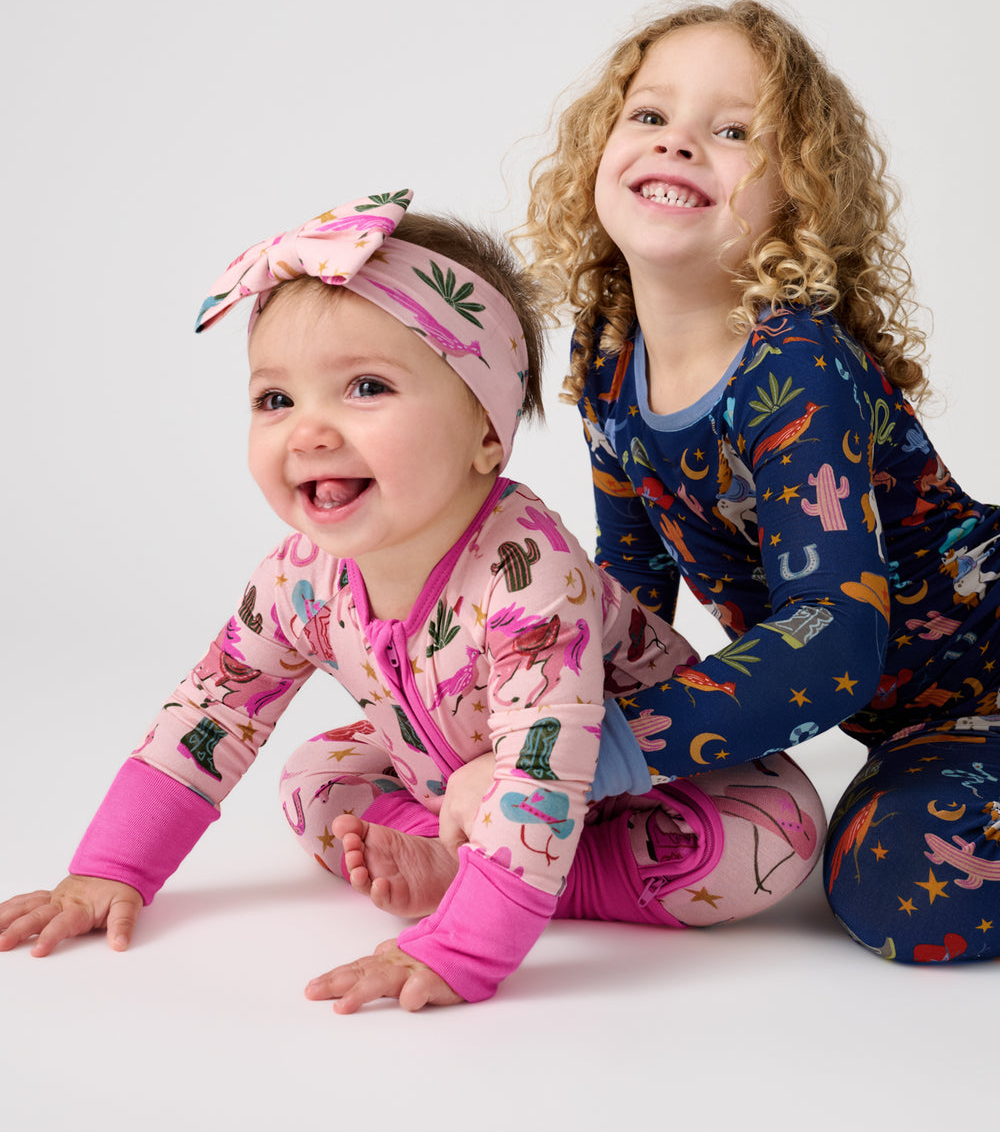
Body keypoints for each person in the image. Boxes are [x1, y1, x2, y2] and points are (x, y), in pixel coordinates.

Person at [0, 191, 824, 1011]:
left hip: (641, 783)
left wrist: (462, 948)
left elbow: (542, 766)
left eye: (365, 387)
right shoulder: (299, 577)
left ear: (486, 435)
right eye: (275, 400)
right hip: (457, 777)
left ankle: (510, 883)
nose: (309, 431)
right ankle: (470, 859)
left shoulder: (527, 572)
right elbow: (214, 710)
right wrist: (108, 868)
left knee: (772, 837)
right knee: (315, 781)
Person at [504, 0, 999, 964]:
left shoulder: (795, 368)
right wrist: (544, 723)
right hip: (925, 726)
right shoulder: (608, 352)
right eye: (650, 115)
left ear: (797, 199)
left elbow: (832, 642)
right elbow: (632, 585)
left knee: (906, 893)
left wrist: (591, 762)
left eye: (733, 132)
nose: (680, 143)